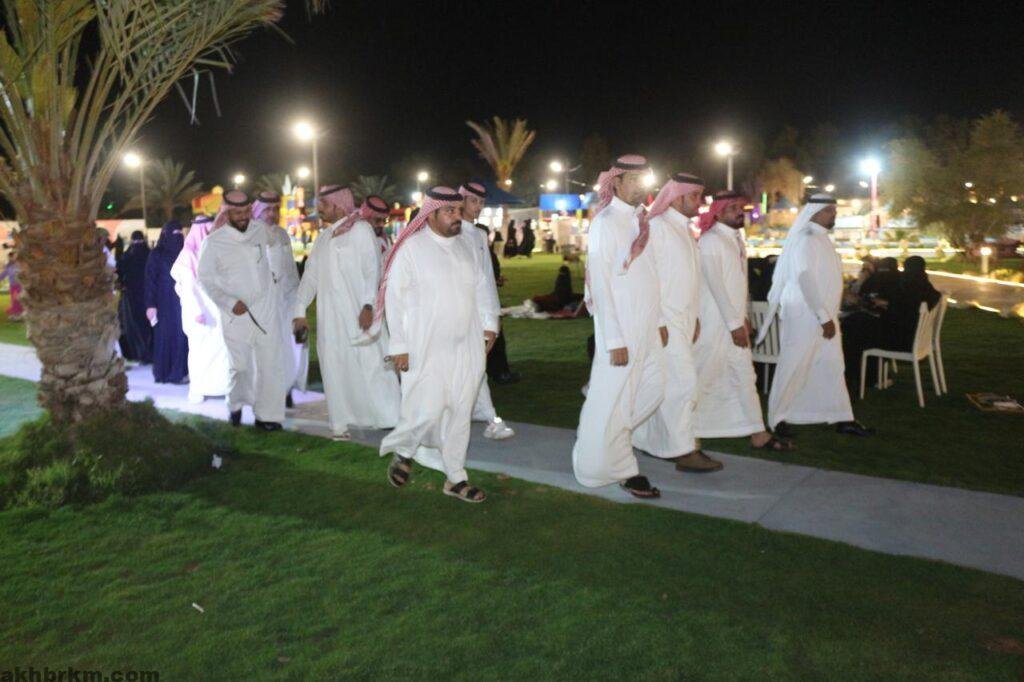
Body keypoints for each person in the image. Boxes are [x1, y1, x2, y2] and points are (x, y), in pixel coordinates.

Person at [377, 187, 497, 503]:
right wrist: (399, 346)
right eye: (450, 211)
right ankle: (405, 449)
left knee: (460, 411)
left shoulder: (466, 246)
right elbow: (393, 299)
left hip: (467, 343)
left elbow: (482, 287)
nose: (458, 216)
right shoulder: (412, 249)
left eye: (459, 210)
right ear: (431, 215)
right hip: (425, 345)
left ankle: (455, 478)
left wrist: (490, 324)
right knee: (427, 408)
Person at [572, 155, 667, 498]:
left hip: (646, 324)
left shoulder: (641, 221)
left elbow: (651, 275)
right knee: (613, 399)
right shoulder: (606, 222)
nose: (641, 186)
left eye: (645, 179)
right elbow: (599, 283)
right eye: (634, 179)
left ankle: (607, 439)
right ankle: (604, 466)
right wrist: (613, 338)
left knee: (654, 387)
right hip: (619, 328)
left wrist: (659, 320)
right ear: (616, 182)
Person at [631, 173, 724, 473]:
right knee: (683, 385)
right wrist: (658, 320)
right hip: (664, 322)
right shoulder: (657, 227)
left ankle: (643, 439)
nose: (700, 202)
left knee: (663, 386)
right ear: (676, 197)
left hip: (682, 322)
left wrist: (694, 317)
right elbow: (645, 277)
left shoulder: (683, 229)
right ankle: (685, 450)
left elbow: (687, 279)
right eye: (694, 196)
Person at [760, 194, 872, 438]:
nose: (834, 214)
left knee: (832, 365)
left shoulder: (820, 238)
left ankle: (841, 417)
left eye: (834, 210)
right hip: (805, 315)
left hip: (824, 315)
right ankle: (777, 419)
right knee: (794, 364)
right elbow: (805, 278)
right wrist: (823, 317)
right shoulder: (806, 239)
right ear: (815, 212)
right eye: (829, 210)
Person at [293, 188, 400, 440]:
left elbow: (372, 270)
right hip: (330, 320)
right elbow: (310, 278)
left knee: (372, 367)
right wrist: (299, 310)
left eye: (324, 204)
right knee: (335, 368)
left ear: (339, 205)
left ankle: (390, 418)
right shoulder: (323, 238)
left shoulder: (361, 230)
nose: (319, 209)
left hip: (359, 315)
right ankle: (340, 424)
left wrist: (368, 306)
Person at [693, 192, 792, 451]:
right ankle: (687, 433)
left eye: (741, 207)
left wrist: (744, 316)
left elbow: (738, 284)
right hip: (715, 324)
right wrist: (733, 323)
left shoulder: (736, 238)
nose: (740, 212)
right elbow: (716, 286)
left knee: (745, 375)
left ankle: (758, 432)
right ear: (717, 212)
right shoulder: (710, 241)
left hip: (734, 322)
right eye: (732, 208)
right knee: (703, 376)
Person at [197, 190, 290, 431]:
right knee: (240, 367)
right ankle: (235, 405)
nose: (242, 216)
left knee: (270, 363)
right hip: (236, 314)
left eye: (246, 211)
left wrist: (275, 274)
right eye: (236, 212)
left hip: (265, 308)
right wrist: (228, 302)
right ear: (226, 212)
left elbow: (276, 244)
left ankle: (267, 416)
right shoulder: (214, 242)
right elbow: (205, 279)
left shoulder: (260, 229)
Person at [458, 182, 516, 434]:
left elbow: (486, 279)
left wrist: (493, 316)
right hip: (455, 313)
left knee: (476, 366)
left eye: (481, 202)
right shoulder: (451, 234)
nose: (478, 207)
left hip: (477, 313)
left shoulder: (479, 235)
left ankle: (490, 418)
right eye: (473, 201)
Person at [252, 190, 306, 407]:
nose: (272, 214)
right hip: (261, 306)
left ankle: (285, 389)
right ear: (258, 211)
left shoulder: (283, 234)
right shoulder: (251, 235)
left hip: (285, 302)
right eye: (267, 210)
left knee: (286, 347)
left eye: (275, 209)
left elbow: (291, 270)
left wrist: (297, 302)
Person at [171, 215, 231, 403]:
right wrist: (197, 311)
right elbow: (187, 288)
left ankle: (226, 388)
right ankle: (198, 389)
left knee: (223, 351)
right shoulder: (187, 255)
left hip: (218, 312)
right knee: (199, 352)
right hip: (199, 314)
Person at [144, 215, 189, 384]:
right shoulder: (156, 254)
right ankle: (164, 373)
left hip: (182, 301)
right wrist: (150, 305)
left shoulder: (185, 253)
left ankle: (179, 373)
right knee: (164, 337)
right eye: (173, 233)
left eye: (179, 233)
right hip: (163, 302)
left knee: (181, 336)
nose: (177, 236)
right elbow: (150, 280)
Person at [881, 255, 941, 351]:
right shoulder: (927, 288)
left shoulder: (910, 288)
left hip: (904, 340)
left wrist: (886, 304)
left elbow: (903, 309)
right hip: (919, 338)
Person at [116, 230, 152, 363]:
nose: (137, 244)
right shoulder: (150, 255)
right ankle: (149, 352)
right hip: (148, 297)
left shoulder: (126, 257)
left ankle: (138, 353)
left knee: (134, 325)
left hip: (132, 298)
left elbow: (118, 274)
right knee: (148, 325)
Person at [0, 247, 24, 322]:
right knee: (15, 300)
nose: (12, 258)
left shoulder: (21, 266)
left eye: (13, 256)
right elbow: (2, 275)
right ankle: (16, 314)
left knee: (21, 300)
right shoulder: (9, 267)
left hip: (21, 286)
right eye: (11, 257)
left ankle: (21, 314)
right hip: (13, 287)